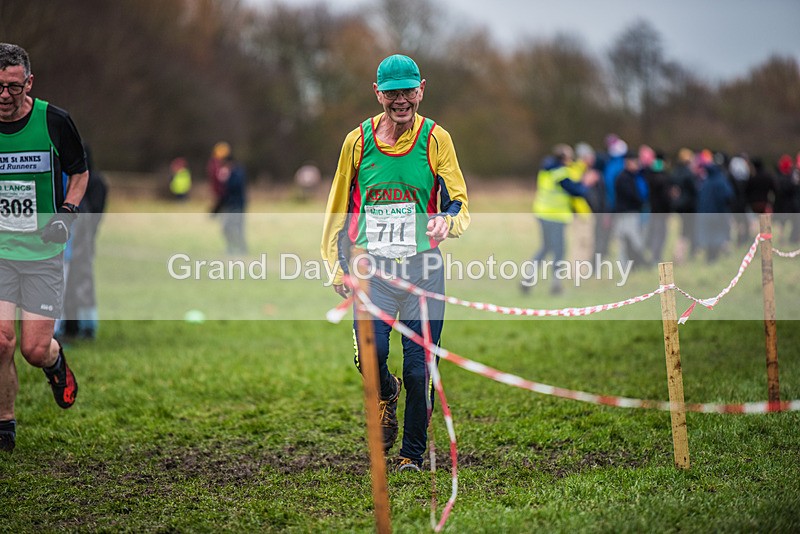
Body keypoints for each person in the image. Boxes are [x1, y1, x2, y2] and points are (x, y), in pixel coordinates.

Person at [320, 54, 469, 472]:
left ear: (421, 89)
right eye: (392, 93)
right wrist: (336, 265)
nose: (401, 100)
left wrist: (446, 221)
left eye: (408, 91)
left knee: (421, 369)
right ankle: (387, 391)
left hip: (423, 272)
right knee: (372, 357)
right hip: (372, 273)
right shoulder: (357, 142)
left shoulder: (436, 139)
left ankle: (411, 454)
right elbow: (337, 208)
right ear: (377, 93)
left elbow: (458, 200)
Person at [0, 43, 88, 452]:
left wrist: (66, 212)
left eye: (13, 87)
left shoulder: (54, 121)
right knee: (2, 342)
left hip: (41, 254)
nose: (4, 95)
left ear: (29, 83)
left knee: (33, 350)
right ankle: (4, 424)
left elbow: (79, 173)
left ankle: (54, 361)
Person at [522, 144, 596, 295]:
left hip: (542, 214)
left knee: (546, 247)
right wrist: (587, 183)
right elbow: (577, 191)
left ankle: (528, 277)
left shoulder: (546, 169)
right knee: (559, 251)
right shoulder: (561, 173)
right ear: (564, 158)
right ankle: (556, 285)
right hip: (556, 216)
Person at [59, 144, 107, 340]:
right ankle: (69, 326)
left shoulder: (95, 182)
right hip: (74, 237)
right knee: (68, 283)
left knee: (80, 282)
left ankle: (86, 327)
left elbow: (96, 213)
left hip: (81, 238)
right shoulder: (67, 181)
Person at [211, 153, 247, 255]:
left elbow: (236, 186)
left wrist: (227, 178)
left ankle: (242, 249)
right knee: (227, 228)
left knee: (238, 228)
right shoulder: (229, 173)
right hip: (228, 205)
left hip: (237, 205)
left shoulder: (237, 172)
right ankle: (231, 248)